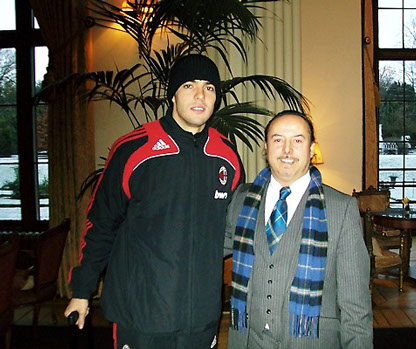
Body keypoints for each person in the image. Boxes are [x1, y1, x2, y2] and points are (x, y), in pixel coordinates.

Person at [65, 54, 244, 349]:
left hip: (200, 320)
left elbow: (231, 229)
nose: (200, 95)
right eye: (189, 85)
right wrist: (82, 290)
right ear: (173, 94)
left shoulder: (226, 156)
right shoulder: (134, 149)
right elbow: (101, 222)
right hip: (141, 317)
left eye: (209, 88)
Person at [225, 110, 373, 348]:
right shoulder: (242, 200)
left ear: (312, 148)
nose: (287, 150)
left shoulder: (341, 208)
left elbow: (356, 309)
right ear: (266, 147)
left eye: (297, 140)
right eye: (278, 139)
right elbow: (204, 252)